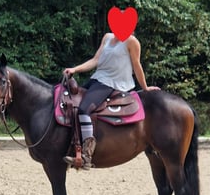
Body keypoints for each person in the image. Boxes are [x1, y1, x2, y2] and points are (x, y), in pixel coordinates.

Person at [63, 32, 160, 170]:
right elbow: (95, 60)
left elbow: (136, 65)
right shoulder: (107, 37)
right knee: (73, 104)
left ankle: (86, 154)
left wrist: (145, 87)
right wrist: (75, 69)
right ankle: (71, 146)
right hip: (97, 79)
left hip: (113, 83)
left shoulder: (131, 41)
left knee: (84, 110)